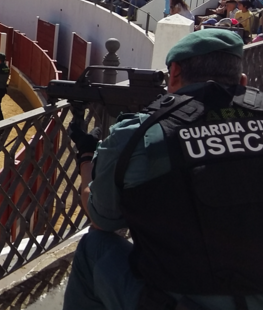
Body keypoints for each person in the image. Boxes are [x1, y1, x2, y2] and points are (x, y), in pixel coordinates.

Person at [64, 29, 263, 310]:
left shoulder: (140, 132)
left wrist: (87, 156)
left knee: (93, 247)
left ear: (174, 73)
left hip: (177, 301)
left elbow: (103, 219)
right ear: (242, 80)